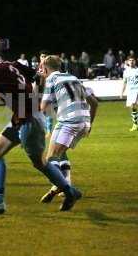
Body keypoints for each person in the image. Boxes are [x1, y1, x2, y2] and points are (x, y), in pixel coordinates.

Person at [0, 37, 81, 214]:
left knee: (39, 163)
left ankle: (69, 191)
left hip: (29, 119)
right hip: (22, 117)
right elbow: (39, 75)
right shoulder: (13, 64)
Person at [40, 56, 98, 210]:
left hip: (69, 121)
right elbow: (94, 102)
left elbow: (43, 106)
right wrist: (89, 124)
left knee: (49, 160)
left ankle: (69, 191)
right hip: (82, 121)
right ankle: (64, 187)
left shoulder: (51, 79)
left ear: (45, 69)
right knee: (57, 155)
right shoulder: (73, 77)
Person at [120, 55, 138, 131]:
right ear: (127, 62)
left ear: (135, 61)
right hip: (131, 91)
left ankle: (135, 124)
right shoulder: (126, 72)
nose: (131, 62)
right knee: (132, 107)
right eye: (130, 60)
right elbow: (124, 82)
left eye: (132, 60)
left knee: (135, 104)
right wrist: (121, 92)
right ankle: (135, 124)